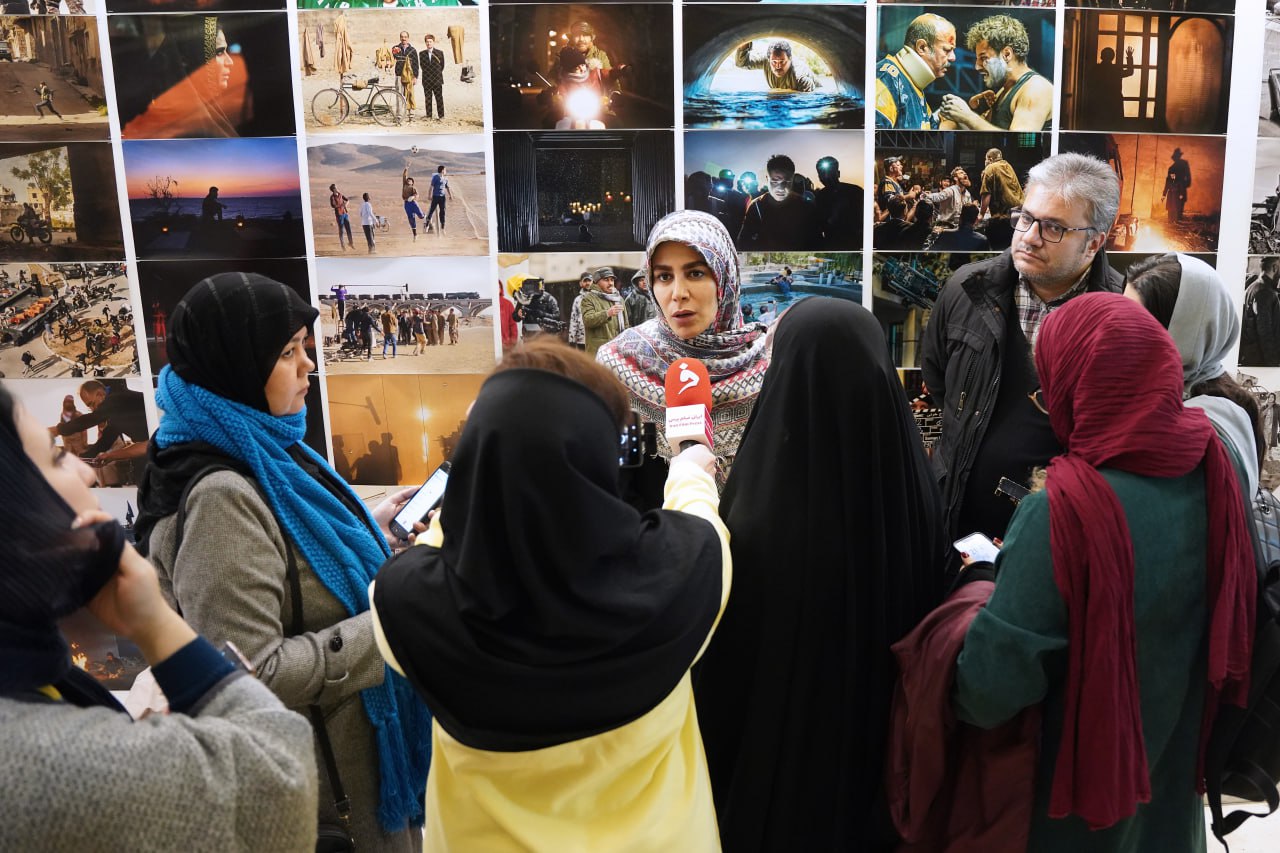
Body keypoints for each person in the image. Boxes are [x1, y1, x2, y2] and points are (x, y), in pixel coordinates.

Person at [369, 340, 730, 851]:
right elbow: (699, 511)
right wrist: (690, 466)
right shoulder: (686, 568)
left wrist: (480, 473)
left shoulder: (406, 602)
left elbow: (444, 540)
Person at [134, 273, 431, 852]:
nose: (308, 367)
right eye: (288, 352)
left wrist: (371, 532)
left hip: (344, 774)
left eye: (306, 348)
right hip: (321, 803)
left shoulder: (260, 443)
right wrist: (392, 626)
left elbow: (290, 558)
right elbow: (246, 672)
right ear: (236, 363)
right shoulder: (220, 493)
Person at [952, 293, 1255, 853]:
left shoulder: (1063, 512)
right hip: (1170, 809)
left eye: (1050, 392)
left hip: (1073, 816)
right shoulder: (1215, 473)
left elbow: (987, 693)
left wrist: (984, 585)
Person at [0, 381, 318, 852]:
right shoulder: (44, 762)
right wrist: (156, 625)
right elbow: (278, 781)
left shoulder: (41, 682)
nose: (87, 477)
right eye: (55, 457)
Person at [694, 298, 946, 852]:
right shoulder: (911, 487)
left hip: (780, 770)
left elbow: (726, 653)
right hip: (882, 757)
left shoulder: (761, 506)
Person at [921, 153, 1122, 545]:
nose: (1028, 236)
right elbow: (938, 378)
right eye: (1026, 218)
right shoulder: (966, 288)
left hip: (1060, 543)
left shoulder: (1122, 316)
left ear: (1093, 242)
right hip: (959, 531)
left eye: (1053, 228)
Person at [597, 210, 771, 487]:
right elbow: (618, 480)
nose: (678, 292)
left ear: (725, 278)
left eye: (695, 273)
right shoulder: (620, 363)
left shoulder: (771, 365)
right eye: (664, 277)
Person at [1124, 253, 1266, 480]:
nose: (1120, 336)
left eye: (1136, 324)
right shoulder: (1222, 402)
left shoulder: (1199, 425)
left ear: (1185, 333)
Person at [120, 16, 242, 139]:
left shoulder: (217, 117)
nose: (229, 61)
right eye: (219, 52)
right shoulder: (182, 130)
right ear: (195, 58)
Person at [938, 15, 1053, 132]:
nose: (977, 67)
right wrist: (961, 114)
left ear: (1007, 54)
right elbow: (988, 136)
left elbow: (1020, 144)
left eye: (983, 58)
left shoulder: (1036, 88)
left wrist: (969, 117)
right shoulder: (1004, 90)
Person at [875, 13, 956, 129]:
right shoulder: (884, 82)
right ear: (922, 47)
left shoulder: (912, 85)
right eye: (947, 50)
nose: (953, 57)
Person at [55, 379, 150, 471]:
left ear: (100, 394)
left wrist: (58, 430)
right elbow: (105, 441)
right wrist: (83, 458)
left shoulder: (117, 397)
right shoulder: (114, 413)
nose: (93, 409)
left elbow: (93, 418)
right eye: (90, 407)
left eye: (92, 404)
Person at [737, 154, 820, 250]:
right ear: (767, 179)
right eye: (775, 182)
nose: (781, 188)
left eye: (786, 182)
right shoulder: (756, 206)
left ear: (792, 180)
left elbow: (816, 244)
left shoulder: (806, 207)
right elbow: (743, 243)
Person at [979, 147, 1025, 249]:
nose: (985, 162)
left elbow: (986, 193)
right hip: (1019, 211)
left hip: (1004, 215)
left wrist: (981, 214)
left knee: (1000, 245)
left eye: (985, 159)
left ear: (990, 159)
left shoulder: (990, 168)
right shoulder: (1008, 165)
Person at [814, 156, 864, 249]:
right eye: (822, 174)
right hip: (834, 246)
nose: (826, 177)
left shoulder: (856, 192)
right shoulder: (820, 197)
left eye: (830, 173)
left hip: (854, 245)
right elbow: (819, 226)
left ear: (838, 173)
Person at [734, 39, 817, 92]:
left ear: (790, 59)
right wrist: (744, 43)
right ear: (768, 59)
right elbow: (741, 63)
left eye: (782, 62)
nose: (778, 66)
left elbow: (809, 101)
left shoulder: (800, 75)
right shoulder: (765, 59)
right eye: (774, 62)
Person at [1241, 256, 1280, 366]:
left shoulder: (1252, 287)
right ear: (1274, 267)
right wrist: (1273, 363)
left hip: (1252, 356)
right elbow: (1265, 331)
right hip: (1260, 359)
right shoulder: (1265, 292)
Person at [580, 266, 627, 358]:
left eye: (612, 280)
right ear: (597, 282)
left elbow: (626, 324)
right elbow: (588, 320)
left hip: (618, 350)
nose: (610, 283)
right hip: (598, 352)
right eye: (606, 280)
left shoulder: (619, 299)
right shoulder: (588, 299)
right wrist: (607, 313)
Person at [1085, 46, 1135, 128]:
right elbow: (1130, 72)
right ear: (1112, 57)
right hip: (1115, 99)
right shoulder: (1116, 69)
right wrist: (1129, 57)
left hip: (1099, 99)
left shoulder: (1096, 69)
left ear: (1101, 56)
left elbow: (1089, 84)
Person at [391, 31, 418, 118]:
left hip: (409, 75)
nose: (404, 38)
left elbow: (416, 64)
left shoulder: (413, 50)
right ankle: (399, 114)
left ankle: (411, 114)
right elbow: (391, 60)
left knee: (410, 94)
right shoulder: (395, 48)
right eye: (402, 37)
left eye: (405, 37)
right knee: (399, 94)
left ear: (408, 38)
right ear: (400, 38)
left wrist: (415, 76)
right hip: (399, 74)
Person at [420, 34, 446, 120]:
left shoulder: (439, 53)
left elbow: (442, 66)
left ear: (433, 42)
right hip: (426, 80)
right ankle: (429, 116)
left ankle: (441, 116)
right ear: (425, 43)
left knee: (439, 98)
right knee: (428, 98)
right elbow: (422, 66)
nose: (429, 43)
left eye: (430, 42)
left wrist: (436, 74)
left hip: (437, 79)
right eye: (427, 42)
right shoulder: (422, 54)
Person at [567, 270, 593, 350]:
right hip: (581, 339)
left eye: (589, 280)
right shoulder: (577, 300)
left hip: (594, 338)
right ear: (580, 283)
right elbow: (573, 319)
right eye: (585, 281)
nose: (587, 283)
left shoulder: (597, 298)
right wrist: (571, 339)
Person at [1164, 147, 1192, 223]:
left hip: (1179, 191)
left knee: (1178, 210)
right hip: (1174, 192)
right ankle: (1171, 225)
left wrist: (1182, 187)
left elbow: (1188, 178)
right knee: (1172, 210)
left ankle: (1175, 223)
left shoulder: (1184, 164)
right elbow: (1168, 181)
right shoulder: (1171, 168)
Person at [425, 165, 451, 233]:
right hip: (435, 196)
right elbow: (431, 187)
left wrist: (450, 195)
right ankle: (427, 225)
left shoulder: (445, 178)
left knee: (443, 211)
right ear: (442, 170)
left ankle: (442, 228)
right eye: (445, 170)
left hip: (442, 197)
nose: (446, 171)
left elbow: (447, 187)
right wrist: (429, 195)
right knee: (431, 211)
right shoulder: (435, 177)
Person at [330, 183, 355, 251]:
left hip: (345, 213)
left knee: (348, 229)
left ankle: (351, 243)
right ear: (333, 189)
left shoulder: (340, 194)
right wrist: (341, 205)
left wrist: (346, 204)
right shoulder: (332, 197)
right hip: (339, 215)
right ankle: (343, 246)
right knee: (341, 230)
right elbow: (333, 205)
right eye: (336, 188)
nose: (337, 188)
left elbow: (347, 200)